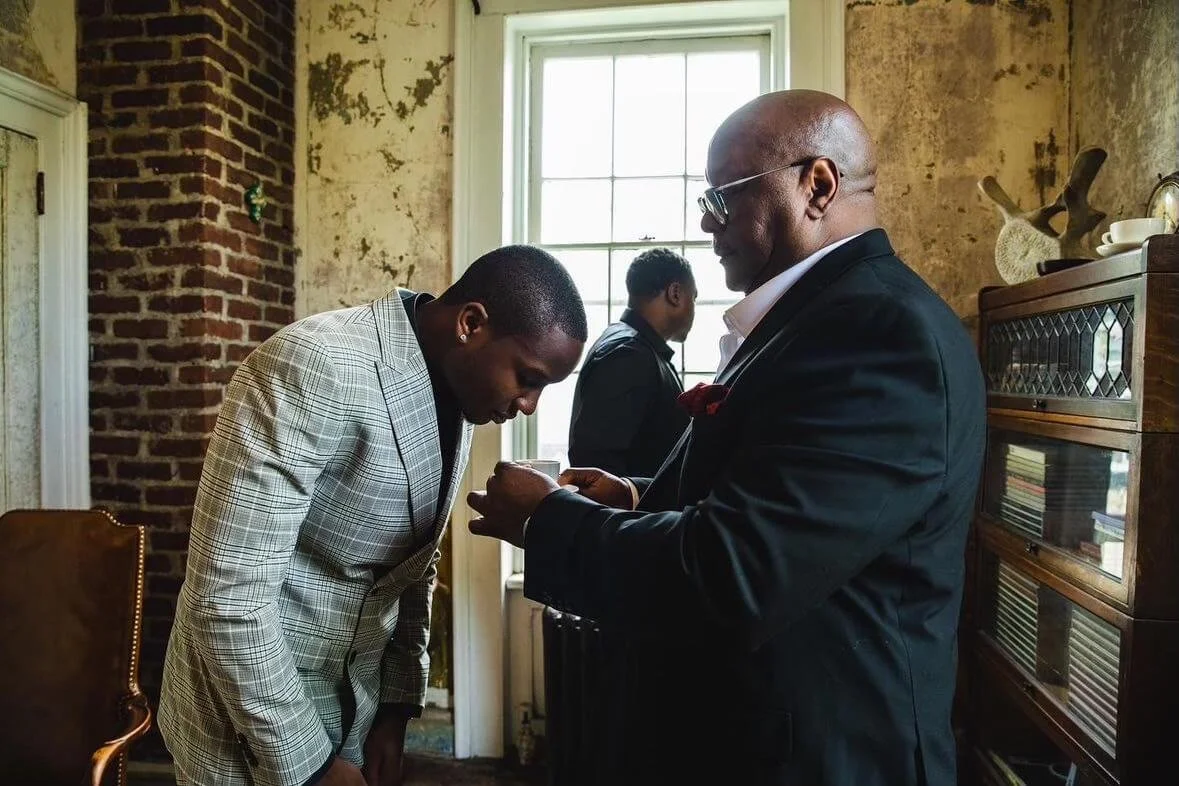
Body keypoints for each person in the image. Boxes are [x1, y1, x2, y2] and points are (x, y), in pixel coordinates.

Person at [467, 90, 987, 786]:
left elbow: (738, 571)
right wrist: (631, 497)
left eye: (722, 198)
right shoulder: (815, 319)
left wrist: (546, 519)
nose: (704, 222)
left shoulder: (879, 333)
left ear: (817, 185)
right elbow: (770, 495)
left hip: (819, 757)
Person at [158, 245, 586, 786]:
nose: (529, 404)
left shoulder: (463, 390)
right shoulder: (312, 363)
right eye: (529, 378)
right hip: (244, 721)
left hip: (352, 714)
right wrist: (310, 765)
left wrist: (394, 710)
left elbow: (414, 566)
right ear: (471, 323)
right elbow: (226, 599)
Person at [568, 247, 696, 476]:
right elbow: (598, 468)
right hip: (634, 511)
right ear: (675, 293)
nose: (693, 309)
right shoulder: (629, 354)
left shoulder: (634, 348)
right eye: (693, 297)